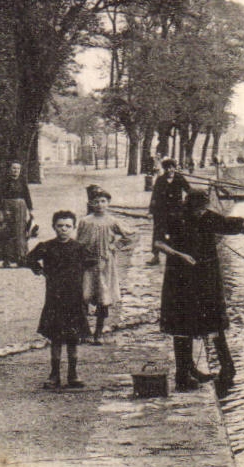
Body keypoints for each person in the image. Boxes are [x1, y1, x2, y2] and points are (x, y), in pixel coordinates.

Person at [156, 189, 244, 393]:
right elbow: (158, 243)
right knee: (182, 324)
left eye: (204, 208)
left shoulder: (208, 217)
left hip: (206, 275)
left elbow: (230, 224)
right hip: (180, 276)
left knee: (214, 319)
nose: (202, 212)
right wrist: (179, 255)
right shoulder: (173, 217)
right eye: (199, 209)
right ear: (190, 205)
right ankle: (183, 374)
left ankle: (227, 369)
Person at [23, 210, 96, 390]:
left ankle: (73, 373)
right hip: (55, 299)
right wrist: (38, 269)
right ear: (53, 227)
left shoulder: (79, 248)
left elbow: (92, 264)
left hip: (74, 299)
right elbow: (27, 258)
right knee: (55, 337)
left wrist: (87, 293)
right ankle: (54, 374)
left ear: (73, 228)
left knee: (73, 338)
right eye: (60, 226)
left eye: (67, 226)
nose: (63, 229)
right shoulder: (47, 246)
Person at [76, 186, 134, 343]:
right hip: (87, 264)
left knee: (103, 297)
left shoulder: (112, 221)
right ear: (90, 203)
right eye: (96, 202)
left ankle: (98, 333)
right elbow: (78, 242)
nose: (100, 205)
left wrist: (115, 247)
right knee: (83, 295)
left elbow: (129, 236)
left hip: (105, 264)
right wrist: (80, 257)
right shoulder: (84, 221)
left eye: (103, 201)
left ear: (108, 203)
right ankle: (84, 330)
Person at [0, 160, 34, 268]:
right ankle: (7, 259)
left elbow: (27, 195)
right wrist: (0, 212)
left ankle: (20, 258)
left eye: (18, 169)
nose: (16, 171)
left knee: (20, 233)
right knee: (7, 233)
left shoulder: (22, 181)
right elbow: (0, 197)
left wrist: (31, 210)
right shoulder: (5, 182)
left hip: (21, 209)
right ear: (10, 170)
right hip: (8, 208)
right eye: (14, 168)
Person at [146, 159, 189, 267]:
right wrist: (151, 211)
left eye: (171, 167)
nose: (169, 170)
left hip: (176, 211)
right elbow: (154, 196)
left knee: (177, 232)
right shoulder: (160, 180)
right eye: (167, 168)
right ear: (164, 169)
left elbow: (189, 191)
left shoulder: (180, 178)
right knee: (158, 233)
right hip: (161, 211)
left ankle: (178, 256)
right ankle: (155, 256)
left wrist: (186, 204)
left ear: (175, 168)